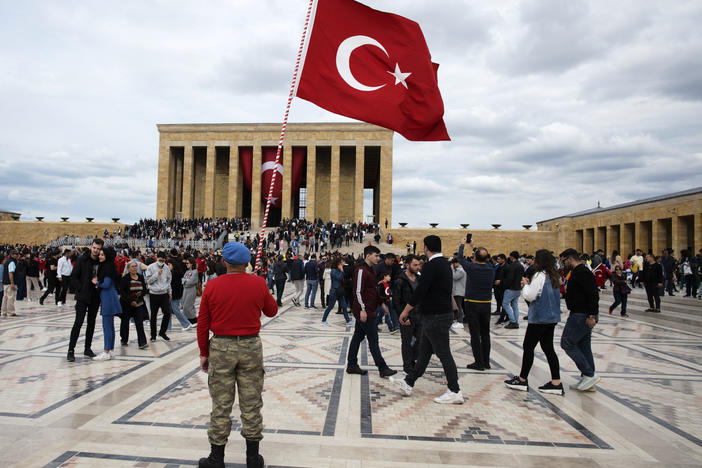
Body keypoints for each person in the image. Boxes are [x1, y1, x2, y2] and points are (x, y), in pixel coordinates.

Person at [197, 242, 277, 468]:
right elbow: (272, 310)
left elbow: (202, 324)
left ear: (224, 262)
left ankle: (216, 458)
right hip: (251, 347)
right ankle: (253, 458)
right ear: (246, 263)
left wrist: (204, 352)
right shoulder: (258, 283)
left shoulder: (212, 286)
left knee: (221, 403)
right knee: (251, 402)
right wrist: (260, 287)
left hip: (221, 347)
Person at [391, 235, 463, 404]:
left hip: (436, 317)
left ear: (426, 248)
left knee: (444, 353)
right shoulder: (445, 264)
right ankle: (409, 382)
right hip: (439, 315)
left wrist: (405, 311)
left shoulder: (431, 266)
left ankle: (455, 390)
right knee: (424, 353)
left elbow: (421, 291)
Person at [504, 249, 564, 395]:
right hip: (552, 318)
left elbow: (530, 296)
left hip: (539, 318)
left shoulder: (539, 275)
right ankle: (556, 382)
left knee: (528, 347)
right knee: (548, 348)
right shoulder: (554, 275)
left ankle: (522, 380)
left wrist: (525, 284)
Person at [345, 245, 397, 378]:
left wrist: (381, 303)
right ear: (368, 255)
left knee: (358, 336)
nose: (378, 258)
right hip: (366, 311)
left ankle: (351, 365)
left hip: (370, 308)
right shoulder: (361, 270)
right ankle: (382, 368)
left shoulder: (371, 270)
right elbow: (357, 291)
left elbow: (373, 290)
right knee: (373, 339)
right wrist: (362, 310)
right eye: (376, 255)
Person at [559, 248, 600, 391]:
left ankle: (589, 374)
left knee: (567, 342)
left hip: (582, 315)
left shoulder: (582, 272)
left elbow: (593, 294)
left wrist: (592, 315)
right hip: (580, 313)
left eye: (564, 261)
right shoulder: (576, 272)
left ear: (570, 259)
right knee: (583, 345)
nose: (563, 264)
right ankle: (588, 378)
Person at [456, 237, 495, 371]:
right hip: (486, 304)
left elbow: (460, 258)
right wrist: (474, 247)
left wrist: (462, 244)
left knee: (475, 334)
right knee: (485, 334)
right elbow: (484, 259)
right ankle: (486, 361)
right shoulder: (490, 268)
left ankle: (478, 362)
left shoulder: (472, 267)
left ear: (474, 257)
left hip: (472, 304)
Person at [67, 239, 104, 362]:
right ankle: (71, 350)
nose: (96, 250)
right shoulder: (82, 259)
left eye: (98, 249)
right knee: (78, 322)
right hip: (83, 296)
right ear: (91, 247)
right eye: (94, 248)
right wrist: (80, 288)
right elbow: (74, 276)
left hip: (95, 296)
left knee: (91, 323)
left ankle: (87, 348)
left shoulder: (101, 261)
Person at [393, 255, 421, 375]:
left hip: (419, 315)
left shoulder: (419, 279)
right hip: (407, 316)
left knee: (420, 340)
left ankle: (412, 360)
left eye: (419, 265)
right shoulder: (400, 280)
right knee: (407, 341)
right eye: (415, 265)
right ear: (407, 265)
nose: (418, 267)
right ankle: (407, 366)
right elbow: (396, 301)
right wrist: (404, 316)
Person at [94, 247, 122, 361]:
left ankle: (106, 351)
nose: (100, 256)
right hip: (110, 296)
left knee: (107, 326)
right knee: (110, 326)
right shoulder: (109, 266)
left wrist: (97, 282)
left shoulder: (107, 267)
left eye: (102, 255)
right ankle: (110, 350)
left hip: (108, 297)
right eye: (100, 254)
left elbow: (106, 284)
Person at [119, 260, 148, 349]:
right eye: (132, 266)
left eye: (135, 266)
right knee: (125, 322)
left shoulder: (140, 277)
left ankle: (142, 342)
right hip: (127, 304)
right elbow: (122, 292)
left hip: (138, 303)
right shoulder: (125, 278)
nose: (135, 268)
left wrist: (141, 294)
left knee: (139, 323)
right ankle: (124, 339)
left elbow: (145, 289)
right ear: (128, 268)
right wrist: (131, 301)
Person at [145, 251, 172, 341]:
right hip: (154, 294)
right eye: (160, 259)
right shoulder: (150, 267)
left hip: (164, 293)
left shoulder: (167, 268)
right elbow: (148, 281)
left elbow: (168, 280)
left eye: (163, 260)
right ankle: (153, 335)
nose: (161, 261)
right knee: (153, 315)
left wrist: (169, 291)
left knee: (167, 313)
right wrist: (157, 274)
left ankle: (162, 332)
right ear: (157, 258)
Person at [321, 257, 352, 326]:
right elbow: (339, 278)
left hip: (339, 291)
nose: (342, 264)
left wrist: (341, 271)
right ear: (337, 263)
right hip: (334, 291)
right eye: (340, 263)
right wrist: (341, 271)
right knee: (330, 306)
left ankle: (348, 321)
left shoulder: (338, 270)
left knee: (344, 306)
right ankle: (323, 320)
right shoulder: (333, 271)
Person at [501, 251, 524, 328]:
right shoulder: (521, 266)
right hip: (518, 288)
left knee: (505, 304)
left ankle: (513, 321)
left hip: (511, 288)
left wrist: (505, 285)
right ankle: (516, 321)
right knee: (514, 305)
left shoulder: (512, 266)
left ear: (512, 257)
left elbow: (510, 278)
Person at [181, 257, 199, 323]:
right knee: (184, 305)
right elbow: (182, 280)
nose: (186, 264)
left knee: (188, 306)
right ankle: (188, 318)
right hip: (185, 290)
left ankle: (193, 319)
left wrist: (185, 281)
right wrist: (186, 280)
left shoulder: (195, 271)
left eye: (188, 263)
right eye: (186, 263)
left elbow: (191, 282)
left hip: (191, 290)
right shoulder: (187, 271)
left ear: (192, 263)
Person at [2, 250, 18, 317]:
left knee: (5, 297)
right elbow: (10, 273)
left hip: (5, 282)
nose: (17, 255)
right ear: (12, 255)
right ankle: (11, 312)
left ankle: (4, 311)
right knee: (11, 297)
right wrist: (12, 283)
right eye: (16, 254)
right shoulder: (11, 262)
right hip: (9, 282)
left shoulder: (6, 262)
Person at [450, 259, 465, 329]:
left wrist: (452, 269)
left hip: (459, 291)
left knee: (459, 306)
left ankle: (460, 321)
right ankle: (456, 320)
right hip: (456, 291)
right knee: (456, 306)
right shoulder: (458, 270)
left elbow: (454, 276)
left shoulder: (461, 270)